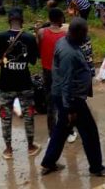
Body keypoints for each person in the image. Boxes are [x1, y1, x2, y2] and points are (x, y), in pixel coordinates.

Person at [40, 18, 105, 178]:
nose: (87, 35)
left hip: (61, 94)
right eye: (85, 32)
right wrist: (70, 109)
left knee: (62, 129)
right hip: (71, 98)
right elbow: (67, 82)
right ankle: (96, 167)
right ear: (78, 33)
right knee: (89, 131)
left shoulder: (63, 42)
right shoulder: (70, 53)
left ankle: (48, 162)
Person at [0, 8, 39, 159]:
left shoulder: (0, 37)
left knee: (5, 117)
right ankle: (31, 146)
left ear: (8, 20)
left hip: (6, 84)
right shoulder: (29, 38)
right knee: (28, 116)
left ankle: (8, 149)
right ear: (22, 20)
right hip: (24, 83)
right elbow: (33, 61)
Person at [37, 8, 67, 136]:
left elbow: (39, 52)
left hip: (47, 71)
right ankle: (66, 130)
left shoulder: (41, 32)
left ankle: (52, 132)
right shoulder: (65, 35)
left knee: (50, 103)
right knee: (64, 101)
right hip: (62, 72)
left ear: (49, 19)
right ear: (61, 19)